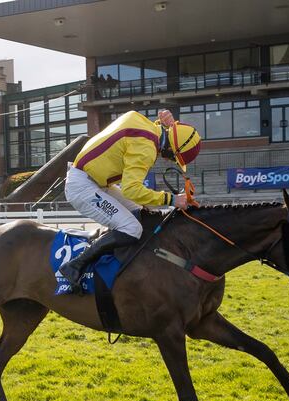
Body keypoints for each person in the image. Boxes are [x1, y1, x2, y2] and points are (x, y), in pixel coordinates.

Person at [58, 109, 202, 292]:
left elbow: (141, 136)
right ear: (170, 146)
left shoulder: (145, 124)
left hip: (94, 181)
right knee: (132, 228)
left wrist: (167, 126)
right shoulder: (146, 149)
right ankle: (75, 266)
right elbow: (131, 189)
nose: (168, 160)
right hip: (82, 186)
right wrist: (172, 199)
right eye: (173, 157)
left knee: (141, 214)